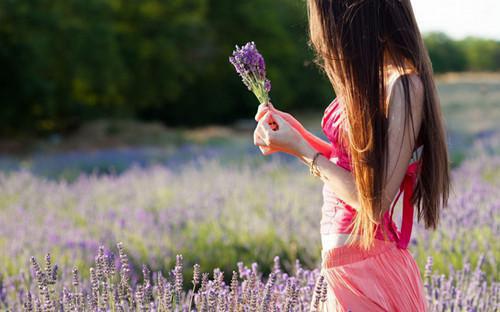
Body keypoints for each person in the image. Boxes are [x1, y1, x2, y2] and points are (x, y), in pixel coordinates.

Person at [253, 0, 450, 311]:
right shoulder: (370, 78)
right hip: (339, 270)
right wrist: (294, 137)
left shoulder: (404, 84)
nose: (326, 39)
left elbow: (374, 202)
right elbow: (348, 165)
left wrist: (302, 150)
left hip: (368, 273)